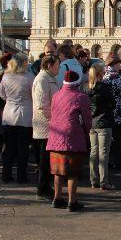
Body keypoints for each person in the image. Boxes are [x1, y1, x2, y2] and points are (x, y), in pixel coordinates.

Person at [47, 70, 92, 211]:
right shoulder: (81, 97)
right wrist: (86, 131)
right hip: (73, 137)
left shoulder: (56, 95)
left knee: (58, 172)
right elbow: (87, 119)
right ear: (77, 83)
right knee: (73, 172)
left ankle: (57, 198)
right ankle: (72, 202)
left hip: (55, 137)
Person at [0, 53, 34, 184]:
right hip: (25, 115)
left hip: (9, 114)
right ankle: (21, 175)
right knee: (23, 148)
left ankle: (6, 174)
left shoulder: (6, 77)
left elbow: (2, 94)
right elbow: (33, 94)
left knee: (8, 147)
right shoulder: (29, 77)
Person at [32, 54, 60, 199]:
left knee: (47, 159)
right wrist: (56, 117)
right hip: (45, 126)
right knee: (44, 160)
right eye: (58, 65)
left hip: (50, 126)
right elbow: (41, 105)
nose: (59, 68)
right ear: (49, 65)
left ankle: (45, 186)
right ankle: (43, 187)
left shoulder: (49, 78)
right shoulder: (42, 79)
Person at [86, 62, 116, 190]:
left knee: (93, 152)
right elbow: (112, 104)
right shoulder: (105, 88)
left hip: (92, 123)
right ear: (100, 74)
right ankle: (104, 181)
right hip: (104, 122)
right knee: (104, 153)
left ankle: (93, 179)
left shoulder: (87, 89)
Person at [103, 53, 121, 170]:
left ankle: (108, 161)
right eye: (119, 63)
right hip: (118, 111)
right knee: (118, 138)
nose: (120, 65)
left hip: (108, 111)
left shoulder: (104, 77)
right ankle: (119, 162)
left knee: (109, 138)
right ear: (114, 64)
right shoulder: (117, 77)